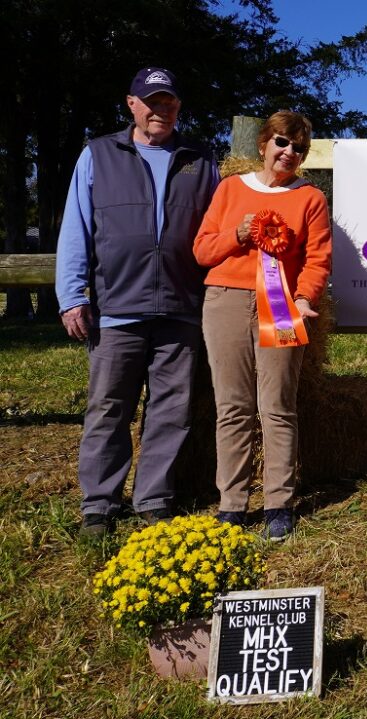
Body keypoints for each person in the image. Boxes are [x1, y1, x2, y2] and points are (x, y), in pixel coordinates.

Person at [55, 67, 218, 538]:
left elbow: (217, 231)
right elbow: (76, 229)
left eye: (169, 102)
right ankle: (99, 505)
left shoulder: (201, 159)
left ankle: (154, 500)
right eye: (151, 101)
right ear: (132, 104)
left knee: (171, 410)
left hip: (181, 307)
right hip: (116, 308)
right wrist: (72, 295)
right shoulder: (99, 154)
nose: (160, 110)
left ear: (178, 107)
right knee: (108, 408)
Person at [193, 110, 331, 541]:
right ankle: (232, 504)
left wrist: (304, 298)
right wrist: (237, 233)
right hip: (225, 302)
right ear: (264, 143)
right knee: (232, 406)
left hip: (282, 307)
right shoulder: (230, 188)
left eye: (299, 148)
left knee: (278, 407)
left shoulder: (310, 198)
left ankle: (278, 505)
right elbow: (202, 251)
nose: (289, 153)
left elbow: (318, 259)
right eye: (282, 143)